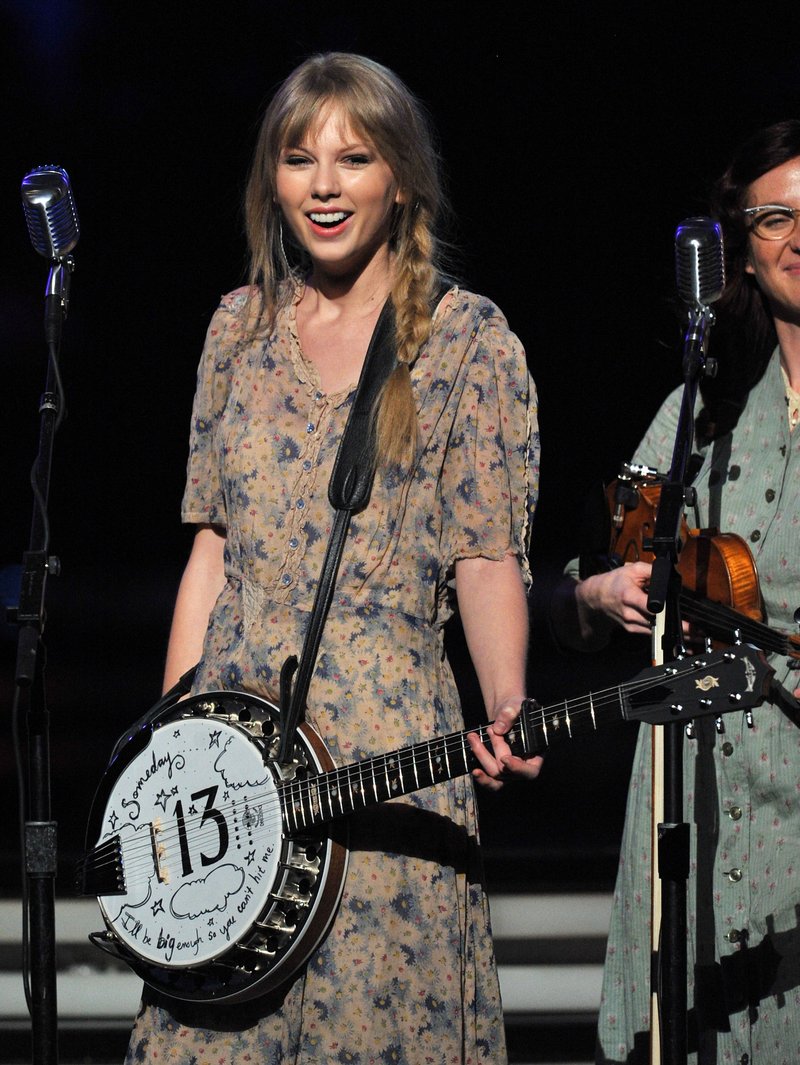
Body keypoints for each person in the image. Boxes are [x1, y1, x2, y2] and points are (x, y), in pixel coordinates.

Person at [125, 52, 541, 1064]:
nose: (323, 185)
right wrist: (171, 751)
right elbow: (212, 549)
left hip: (382, 750)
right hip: (233, 755)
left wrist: (504, 704)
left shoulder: (467, 341)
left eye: (353, 158)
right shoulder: (239, 328)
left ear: (399, 176)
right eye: (299, 158)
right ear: (270, 179)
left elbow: (487, 556)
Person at [551, 119, 800, 1064]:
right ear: (741, 244)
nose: (798, 239)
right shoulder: (704, 407)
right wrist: (599, 592)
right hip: (697, 794)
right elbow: (592, 575)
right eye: (775, 218)